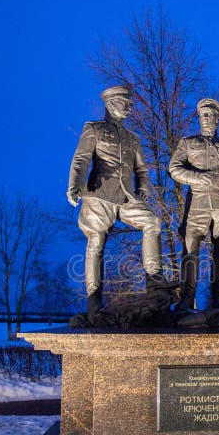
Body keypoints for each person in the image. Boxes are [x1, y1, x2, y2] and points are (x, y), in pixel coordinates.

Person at [67, 85, 169, 321]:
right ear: (111, 103)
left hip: (126, 197)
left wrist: (143, 188)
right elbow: (81, 158)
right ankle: (94, 303)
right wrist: (74, 185)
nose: (130, 107)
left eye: (130, 103)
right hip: (99, 194)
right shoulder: (94, 129)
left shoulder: (133, 138)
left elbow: (141, 169)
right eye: (126, 102)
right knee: (96, 241)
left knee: (153, 222)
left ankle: (154, 283)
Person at [169, 98, 219, 310]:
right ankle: (186, 299)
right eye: (204, 115)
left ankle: (218, 302)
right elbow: (174, 169)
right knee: (190, 248)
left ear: (218, 119)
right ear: (199, 118)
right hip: (198, 203)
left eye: (212, 115)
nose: (208, 118)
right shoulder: (188, 142)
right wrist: (196, 178)